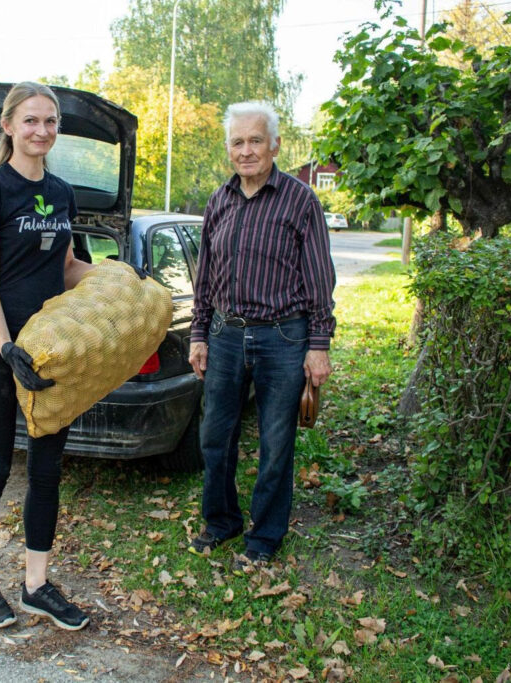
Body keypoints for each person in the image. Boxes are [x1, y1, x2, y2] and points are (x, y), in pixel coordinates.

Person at [0, 82, 95, 631]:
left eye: (51, 121)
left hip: (49, 351)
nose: (42, 130)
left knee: (46, 471)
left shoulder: (61, 192)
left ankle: (36, 585)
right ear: (9, 126)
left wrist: (122, 279)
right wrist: (5, 346)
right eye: (32, 120)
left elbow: (66, 267)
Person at [187, 101, 336, 572]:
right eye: (238, 142)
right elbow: (205, 277)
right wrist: (198, 334)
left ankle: (266, 535)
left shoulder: (301, 200)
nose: (246, 151)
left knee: (276, 444)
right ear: (228, 148)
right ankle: (221, 522)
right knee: (214, 438)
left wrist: (319, 345)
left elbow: (319, 279)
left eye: (255, 140)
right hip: (225, 336)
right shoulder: (219, 201)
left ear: (275, 145)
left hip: (283, 339)